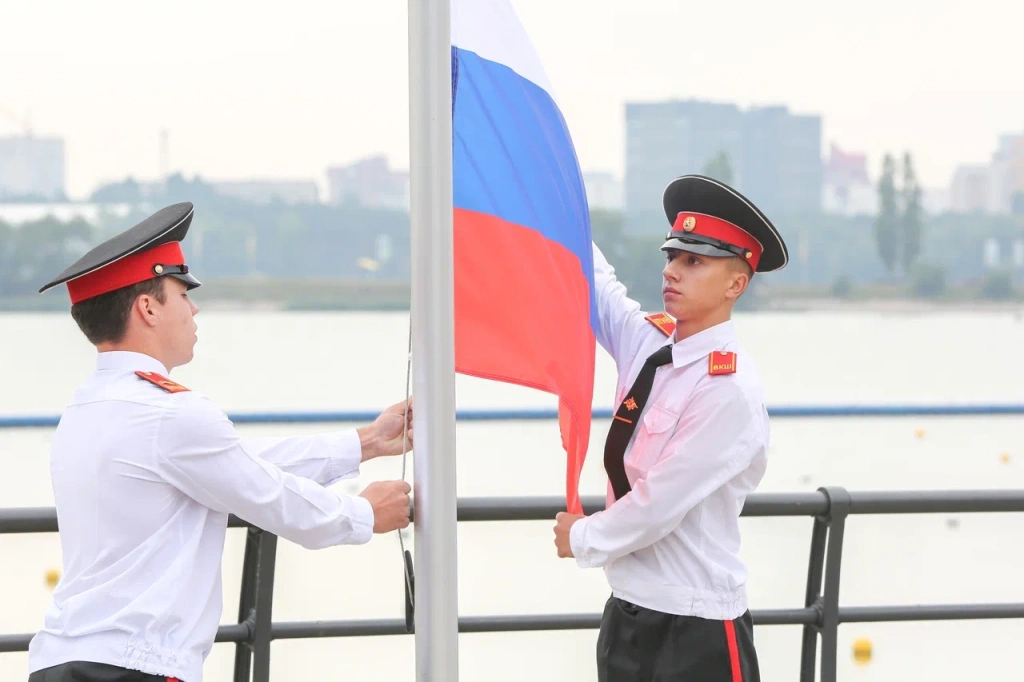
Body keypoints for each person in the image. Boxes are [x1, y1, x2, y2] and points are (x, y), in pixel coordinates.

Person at [27, 202, 415, 682]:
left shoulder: (85, 409)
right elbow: (265, 495)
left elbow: (234, 468)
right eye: (182, 293)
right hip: (136, 668)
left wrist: (368, 442)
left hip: (60, 662)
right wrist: (364, 515)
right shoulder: (169, 412)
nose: (194, 309)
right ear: (147, 307)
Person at [552, 175, 788, 681]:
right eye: (671, 257)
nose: (671, 272)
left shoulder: (729, 388)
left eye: (693, 261)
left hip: (696, 624)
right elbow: (596, 286)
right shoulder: (652, 347)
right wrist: (555, 199)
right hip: (628, 611)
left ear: (735, 284)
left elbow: (659, 503)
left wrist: (585, 536)